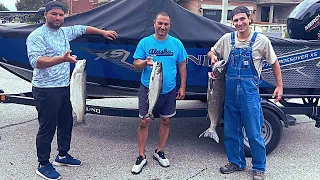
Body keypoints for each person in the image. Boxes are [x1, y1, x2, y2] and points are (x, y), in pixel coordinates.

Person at [26, 1, 118, 180]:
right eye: (54, 14)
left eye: (61, 15)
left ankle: (62, 155)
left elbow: (83, 28)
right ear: (45, 14)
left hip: (64, 87)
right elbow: (35, 62)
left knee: (66, 123)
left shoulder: (64, 32)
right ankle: (43, 164)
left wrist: (103, 32)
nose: (58, 18)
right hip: (45, 89)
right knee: (47, 127)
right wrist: (62, 59)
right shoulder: (36, 35)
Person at [207, 6, 283, 180]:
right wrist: (212, 56)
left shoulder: (261, 41)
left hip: (250, 95)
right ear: (232, 23)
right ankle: (236, 162)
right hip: (230, 95)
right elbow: (213, 51)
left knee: (254, 132)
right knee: (231, 131)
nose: (239, 23)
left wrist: (279, 86)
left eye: (242, 19)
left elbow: (274, 62)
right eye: (236, 20)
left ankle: (259, 168)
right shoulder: (227, 39)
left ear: (250, 19)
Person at [131, 12, 187, 174]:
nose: (163, 27)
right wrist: (144, 63)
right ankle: (141, 155)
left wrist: (182, 86)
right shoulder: (145, 42)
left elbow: (182, 65)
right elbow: (135, 64)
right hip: (148, 88)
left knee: (166, 121)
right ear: (154, 24)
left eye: (166, 24)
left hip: (169, 90)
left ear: (170, 25)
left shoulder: (176, 43)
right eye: (160, 23)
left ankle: (159, 151)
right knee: (144, 121)